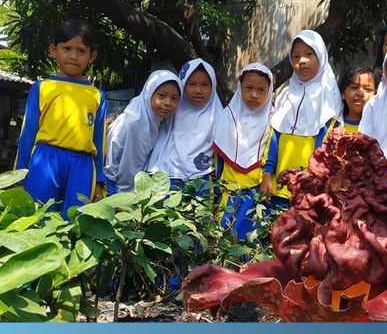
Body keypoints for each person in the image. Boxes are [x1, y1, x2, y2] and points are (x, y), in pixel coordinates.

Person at [14, 20, 106, 219]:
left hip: (83, 165)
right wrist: (20, 176)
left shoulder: (97, 95)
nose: (73, 56)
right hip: (44, 160)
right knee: (39, 218)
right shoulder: (42, 87)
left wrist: (99, 180)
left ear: (92, 56)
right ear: (53, 50)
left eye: (81, 51)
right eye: (67, 48)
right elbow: (27, 134)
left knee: (75, 221)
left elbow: (100, 140)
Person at [263, 30, 342, 207]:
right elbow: (274, 136)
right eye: (296, 56)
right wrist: (267, 173)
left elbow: (325, 143)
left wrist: (315, 177)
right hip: (279, 185)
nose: (302, 61)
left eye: (308, 54)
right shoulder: (285, 94)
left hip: (310, 188)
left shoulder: (328, 95)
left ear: (321, 56)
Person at [213, 63, 274, 241]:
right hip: (228, 190)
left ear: (269, 91)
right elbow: (218, 159)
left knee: (249, 238)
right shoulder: (225, 117)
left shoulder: (274, 120)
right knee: (223, 238)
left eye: (261, 90)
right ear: (240, 88)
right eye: (249, 88)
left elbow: (272, 155)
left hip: (256, 191)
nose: (254, 94)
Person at [146, 59, 221, 190]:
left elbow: (223, 147)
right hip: (167, 176)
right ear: (182, 84)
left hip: (201, 177)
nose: (198, 90)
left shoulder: (219, 115)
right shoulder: (171, 109)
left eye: (204, 85)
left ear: (213, 86)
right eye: (191, 84)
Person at [104, 70, 181, 194]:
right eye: (162, 96)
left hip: (137, 194)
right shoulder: (130, 121)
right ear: (148, 93)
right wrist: (111, 191)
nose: (168, 103)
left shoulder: (159, 124)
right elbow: (111, 154)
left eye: (174, 98)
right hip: (115, 191)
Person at [338, 66, 378, 133]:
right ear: (343, 93)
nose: (360, 93)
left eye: (367, 89)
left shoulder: (379, 127)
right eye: (354, 87)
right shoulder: (334, 126)